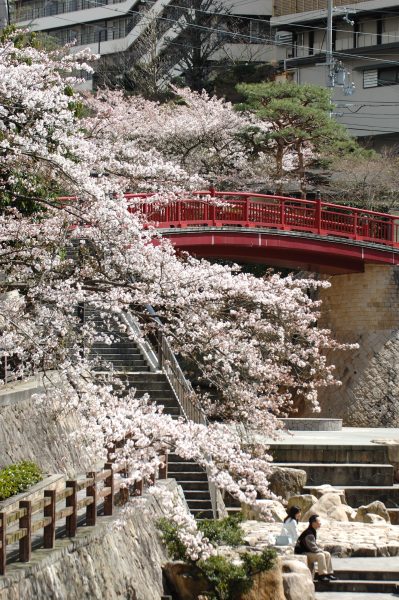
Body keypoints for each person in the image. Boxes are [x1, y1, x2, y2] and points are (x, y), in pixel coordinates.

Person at [294, 514, 337, 582]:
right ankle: (322, 575)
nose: (320, 523)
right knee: (321, 555)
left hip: (309, 552)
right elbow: (312, 548)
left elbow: (313, 547)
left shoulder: (312, 531)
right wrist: (320, 551)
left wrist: (320, 550)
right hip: (303, 553)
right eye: (318, 521)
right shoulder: (309, 533)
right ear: (313, 523)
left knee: (327, 554)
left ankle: (329, 573)